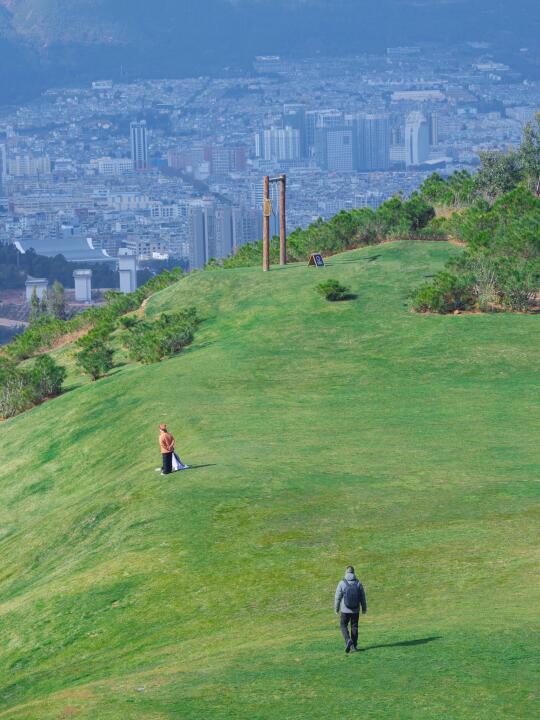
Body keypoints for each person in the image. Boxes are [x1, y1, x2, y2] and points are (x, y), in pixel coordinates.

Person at [334, 565, 367, 653]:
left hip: (345, 610)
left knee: (343, 625)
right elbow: (362, 597)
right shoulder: (358, 583)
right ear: (353, 572)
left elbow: (337, 597)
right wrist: (364, 608)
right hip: (356, 610)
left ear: (346, 572)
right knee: (354, 626)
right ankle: (354, 647)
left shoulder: (342, 583)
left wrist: (336, 609)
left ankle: (348, 640)